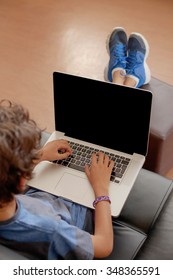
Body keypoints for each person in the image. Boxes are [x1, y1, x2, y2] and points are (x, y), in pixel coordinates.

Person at [0, 100, 114, 259]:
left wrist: (40, 155)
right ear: (20, 182)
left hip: (39, 200)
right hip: (71, 213)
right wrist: (101, 189)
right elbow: (104, 245)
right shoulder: (50, 230)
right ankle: (124, 82)